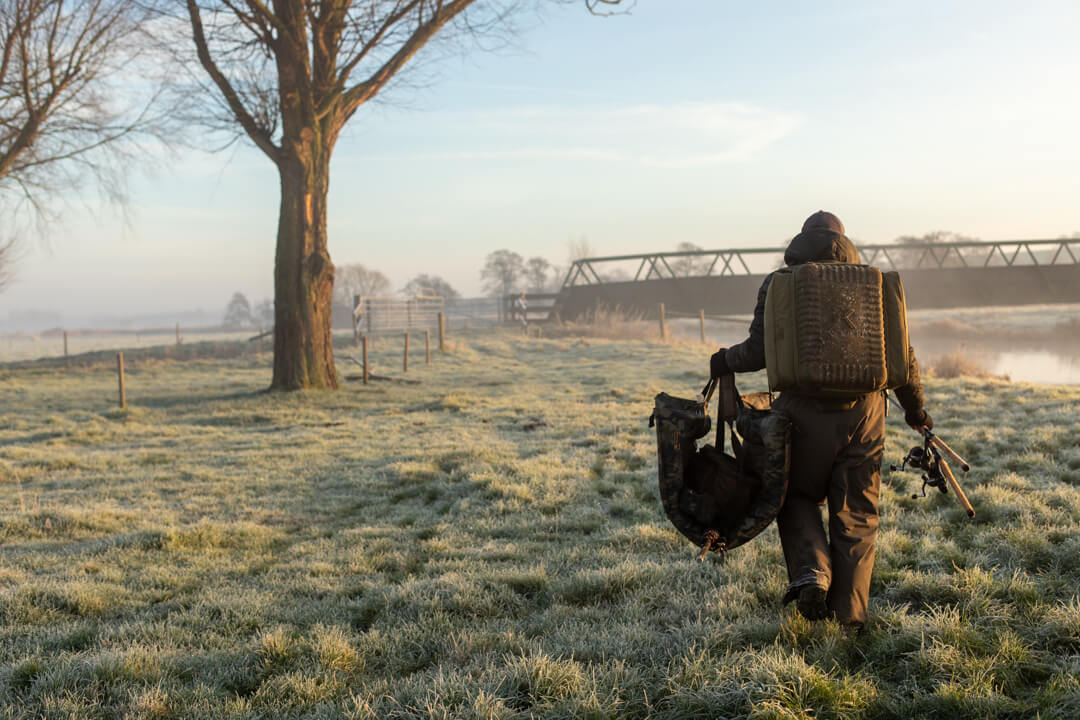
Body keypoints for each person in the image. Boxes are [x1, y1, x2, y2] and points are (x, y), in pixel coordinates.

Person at [709, 210, 931, 631]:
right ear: (843, 241)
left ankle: (811, 572)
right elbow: (903, 357)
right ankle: (848, 619)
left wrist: (723, 360)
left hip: (802, 413)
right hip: (866, 415)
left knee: (794, 494)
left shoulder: (782, 283)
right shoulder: (874, 285)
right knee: (858, 516)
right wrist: (916, 411)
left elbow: (758, 352)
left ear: (802, 238)